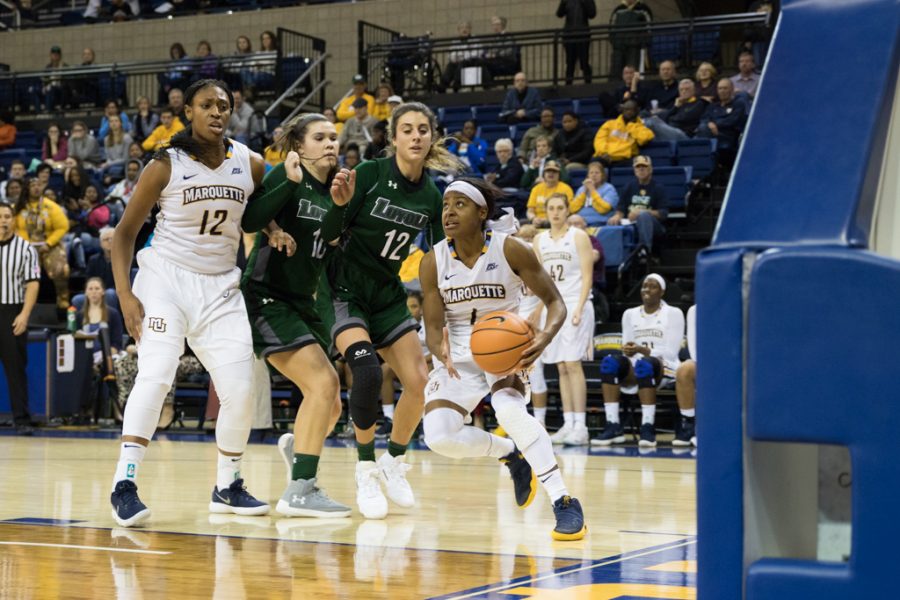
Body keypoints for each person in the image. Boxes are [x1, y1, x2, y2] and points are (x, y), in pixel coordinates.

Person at [109, 79, 271, 528]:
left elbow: (272, 205)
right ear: (190, 114)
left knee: (240, 388)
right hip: (165, 280)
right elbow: (123, 235)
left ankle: (228, 485)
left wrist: (274, 227)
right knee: (157, 371)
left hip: (220, 286)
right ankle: (124, 483)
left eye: (223, 105)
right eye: (206, 105)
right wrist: (126, 295)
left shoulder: (250, 164)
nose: (216, 112)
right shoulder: (165, 165)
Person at [419, 177, 587, 540]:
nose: (448, 211)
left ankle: (563, 499)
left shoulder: (511, 249)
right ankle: (510, 454)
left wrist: (543, 338)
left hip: (504, 352)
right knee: (438, 437)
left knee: (510, 412)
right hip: (458, 357)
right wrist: (438, 347)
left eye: (459, 204)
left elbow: (556, 302)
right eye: (446, 204)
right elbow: (433, 326)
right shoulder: (433, 260)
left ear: (482, 213)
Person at [320, 102, 462, 519]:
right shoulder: (367, 175)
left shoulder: (433, 196)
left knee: (421, 381)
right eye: (408, 130)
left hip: (386, 293)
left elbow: (438, 267)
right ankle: (365, 467)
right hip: (343, 288)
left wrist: (443, 327)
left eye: (423, 129)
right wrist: (339, 204)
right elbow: (329, 235)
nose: (416, 136)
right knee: (365, 371)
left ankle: (393, 461)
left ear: (431, 137)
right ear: (393, 138)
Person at [239, 113, 351, 518]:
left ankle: (296, 448)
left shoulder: (336, 190)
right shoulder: (286, 174)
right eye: (320, 138)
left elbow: (335, 247)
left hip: (306, 301)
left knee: (331, 403)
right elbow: (249, 219)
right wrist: (284, 188)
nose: (330, 144)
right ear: (300, 148)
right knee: (323, 383)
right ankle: (301, 490)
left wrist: (342, 207)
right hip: (267, 295)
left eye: (334, 138)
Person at [592, 273, 684, 447]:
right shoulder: (630, 314)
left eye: (652, 286)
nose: (647, 289)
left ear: (662, 291)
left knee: (644, 364)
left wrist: (642, 350)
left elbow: (671, 353)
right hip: (640, 366)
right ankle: (613, 426)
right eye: (644, 286)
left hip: (667, 367)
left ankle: (647, 427)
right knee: (610, 363)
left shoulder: (673, 313)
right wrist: (628, 350)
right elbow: (628, 349)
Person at [533, 194, 595, 446]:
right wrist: (538, 309)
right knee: (559, 365)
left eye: (560, 208)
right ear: (546, 212)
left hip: (575, 303)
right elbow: (541, 280)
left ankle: (581, 425)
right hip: (552, 306)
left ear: (568, 211)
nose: (556, 212)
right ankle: (568, 423)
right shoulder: (539, 240)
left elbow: (587, 277)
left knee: (572, 364)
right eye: (551, 208)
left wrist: (580, 307)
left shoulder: (579, 237)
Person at [0, 202, 40, 436]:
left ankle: (22, 419)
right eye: (0, 216)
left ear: (14, 219)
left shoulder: (25, 249)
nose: (3, 220)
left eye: (7, 216)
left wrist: (24, 314)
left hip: (11, 313)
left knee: (15, 370)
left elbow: (32, 283)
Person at [14, 177, 70, 311]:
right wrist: (25, 245)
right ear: (27, 188)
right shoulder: (18, 207)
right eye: (33, 185)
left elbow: (63, 226)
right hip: (25, 247)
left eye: (39, 185)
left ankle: (63, 305)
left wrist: (49, 243)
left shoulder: (50, 206)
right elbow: (14, 228)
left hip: (49, 245)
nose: (36, 187)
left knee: (61, 269)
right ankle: (19, 306)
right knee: (16, 269)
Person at [76, 277, 125, 421]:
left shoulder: (112, 314)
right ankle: (82, 410)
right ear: (85, 292)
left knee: (112, 368)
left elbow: (116, 342)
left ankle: (118, 409)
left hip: (107, 356)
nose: (94, 292)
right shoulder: (80, 315)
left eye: (97, 288)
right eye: (90, 289)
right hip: (85, 358)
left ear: (103, 292)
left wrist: (106, 357)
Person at [607, 155, 667, 254]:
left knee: (643, 216)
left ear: (650, 169)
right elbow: (621, 208)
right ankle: (613, 258)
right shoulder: (628, 187)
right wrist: (617, 216)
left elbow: (663, 214)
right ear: (634, 170)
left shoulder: (658, 188)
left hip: (654, 226)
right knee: (611, 221)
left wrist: (642, 212)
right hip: (631, 223)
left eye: (644, 166)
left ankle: (644, 252)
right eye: (638, 167)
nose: (641, 169)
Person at [592, 99, 654, 167]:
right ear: (622, 110)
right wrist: (604, 153)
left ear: (637, 111)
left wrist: (632, 126)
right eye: (626, 109)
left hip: (625, 159)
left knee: (637, 165)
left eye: (631, 110)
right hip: (605, 157)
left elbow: (643, 139)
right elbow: (599, 141)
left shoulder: (641, 128)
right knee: (595, 163)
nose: (629, 112)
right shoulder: (609, 124)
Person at [642, 79, 707, 141]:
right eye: (681, 90)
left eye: (687, 89)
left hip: (684, 134)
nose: (684, 91)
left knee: (651, 123)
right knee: (646, 118)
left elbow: (683, 118)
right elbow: (665, 116)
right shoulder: (678, 104)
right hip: (670, 131)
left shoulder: (699, 103)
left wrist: (670, 118)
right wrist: (675, 107)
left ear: (694, 90)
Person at [609, 0, 652, 79]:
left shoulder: (643, 9)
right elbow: (611, 27)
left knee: (633, 70)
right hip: (619, 46)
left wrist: (643, 42)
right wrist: (614, 42)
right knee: (616, 70)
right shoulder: (618, 9)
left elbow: (649, 28)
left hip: (635, 46)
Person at [557, 0, 596, 85]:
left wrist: (584, 2)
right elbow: (559, 14)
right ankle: (568, 84)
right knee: (570, 62)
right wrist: (563, 3)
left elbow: (592, 14)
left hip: (583, 35)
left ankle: (588, 83)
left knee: (584, 62)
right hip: (569, 36)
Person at [570, 158, 618, 225]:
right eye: (591, 173)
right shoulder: (581, 189)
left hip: (600, 222)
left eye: (597, 173)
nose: (594, 175)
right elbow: (572, 209)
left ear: (602, 175)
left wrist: (592, 191)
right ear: (588, 175)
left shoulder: (609, 188)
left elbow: (603, 209)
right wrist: (584, 192)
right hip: (580, 223)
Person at [674, 304, 696, 446]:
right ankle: (689, 423)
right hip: (707, 363)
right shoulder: (694, 310)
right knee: (684, 370)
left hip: (737, 362)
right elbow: (694, 349)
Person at [526, 162, 573, 227]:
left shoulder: (566, 189)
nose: (551, 173)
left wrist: (548, 219)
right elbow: (530, 211)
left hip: (556, 219)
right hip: (537, 220)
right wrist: (533, 218)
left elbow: (569, 210)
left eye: (554, 171)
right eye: (548, 171)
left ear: (559, 174)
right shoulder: (536, 189)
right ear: (544, 174)